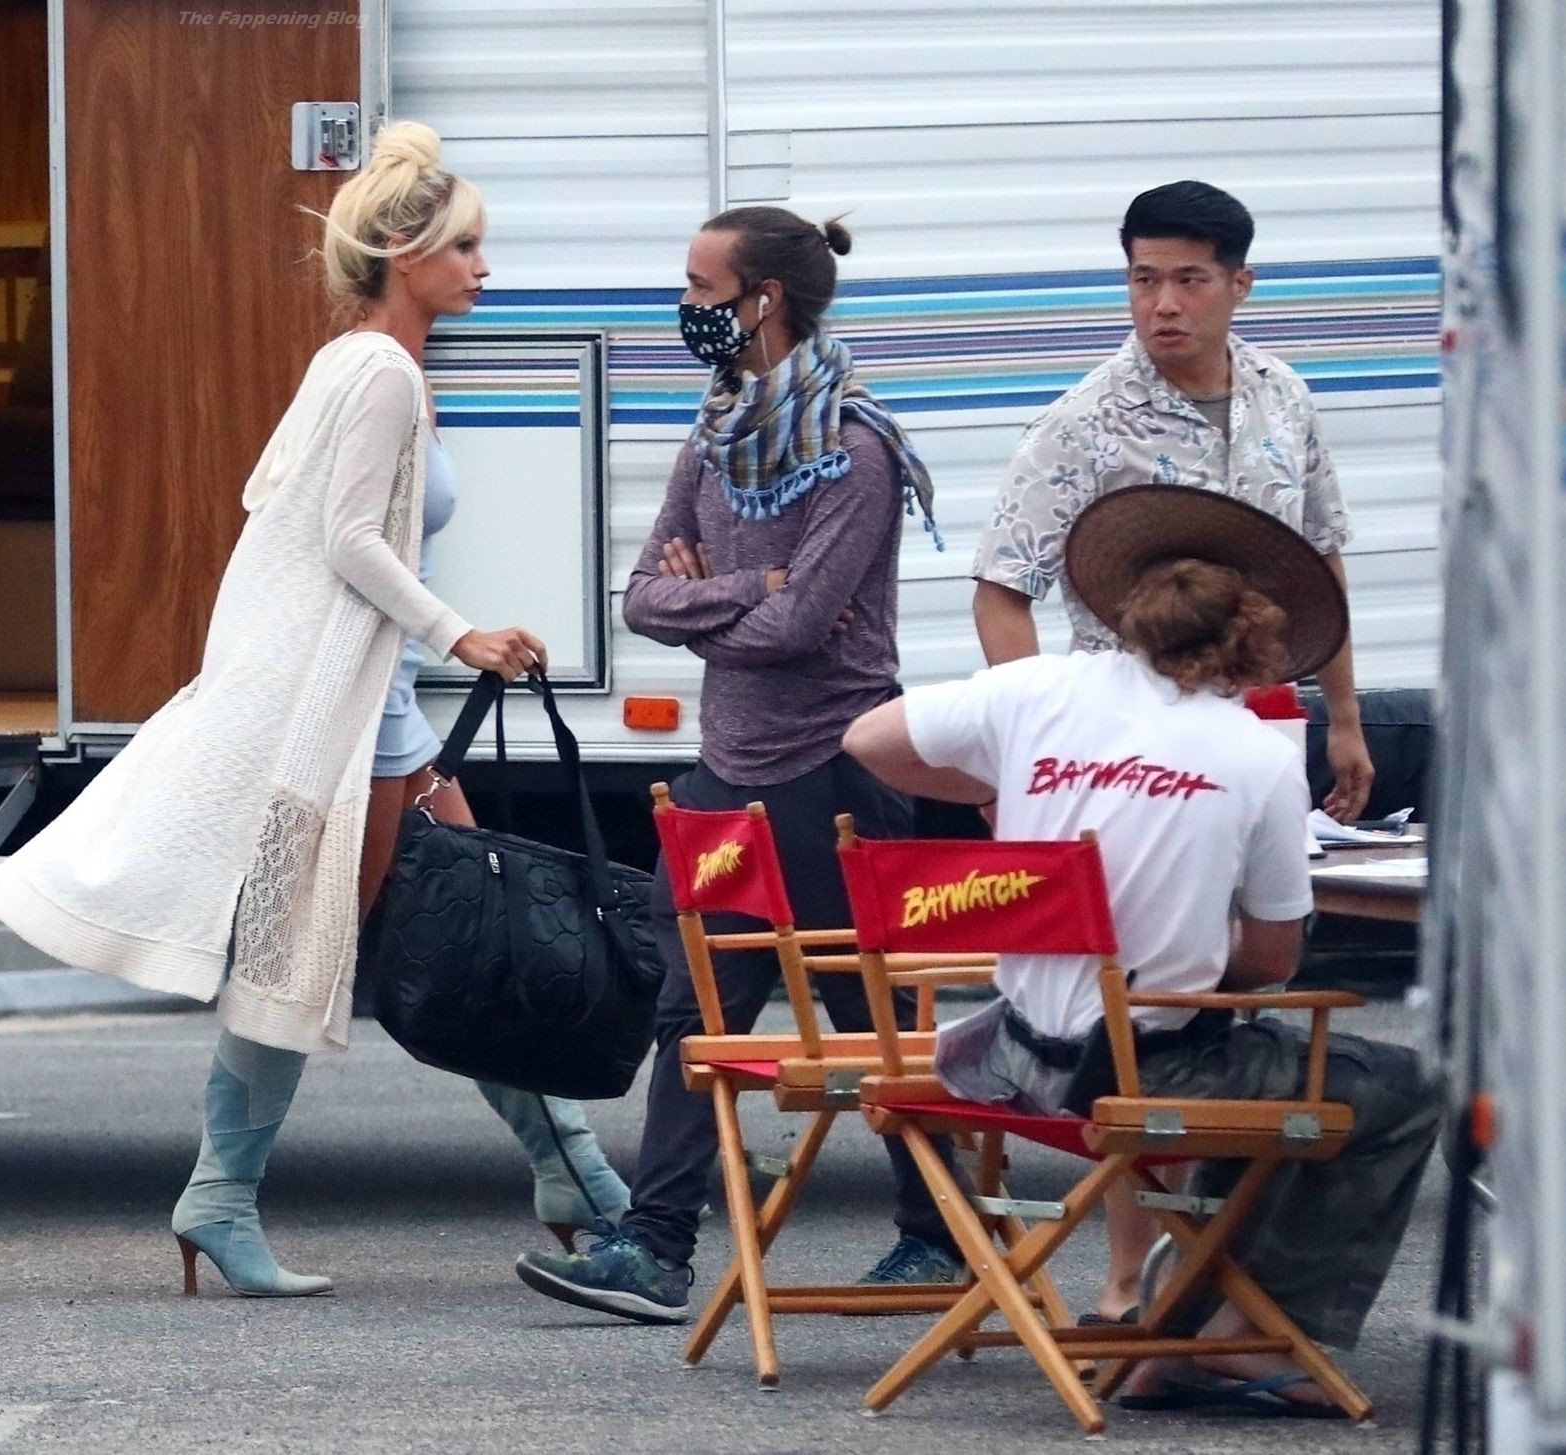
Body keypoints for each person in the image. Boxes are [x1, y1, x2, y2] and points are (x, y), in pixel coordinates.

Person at [0, 121, 626, 1297]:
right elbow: (344, 539)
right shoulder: (383, 374)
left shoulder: (357, 361)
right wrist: (459, 633)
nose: (484, 267)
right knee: (301, 954)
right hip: (360, 719)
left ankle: (573, 1172)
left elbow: (277, 506)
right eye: (465, 247)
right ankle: (224, 1197)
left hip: (385, 712)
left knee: (482, 932)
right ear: (405, 255)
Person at [844, 486, 1440, 1413]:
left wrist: (1000, 791)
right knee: (1392, 1084)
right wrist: (1187, 939)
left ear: (1135, 613)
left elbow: (868, 737)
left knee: (1255, 1065)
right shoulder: (1257, 756)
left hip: (1009, 1054)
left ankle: (1179, 1324)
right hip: (1137, 1073)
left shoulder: (1040, 689)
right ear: (1256, 636)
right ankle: (1241, 1330)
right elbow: (1271, 964)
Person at [514, 205, 963, 1325]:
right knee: (695, 1008)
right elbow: (640, 600)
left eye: (702, 291)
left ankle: (940, 1236)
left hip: (836, 769)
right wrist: (746, 591)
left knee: (873, 1011)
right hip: (728, 771)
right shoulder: (713, 435)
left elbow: (806, 625)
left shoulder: (855, 448)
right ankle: (656, 1249)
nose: (688, 310)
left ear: (766, 300)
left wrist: (716, 603)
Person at [967, 179, 1379, 1320]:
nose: (1163, 304)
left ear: (1240, 284)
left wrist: (1344, 714)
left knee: (1241, 985)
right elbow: (1002, 584)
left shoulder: (1284, 395)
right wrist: (1030, 738)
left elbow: (1323, 561)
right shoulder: (1086, 419)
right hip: (1133, 741)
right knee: (1148, 1002)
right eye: (1143, 279)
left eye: (1189, 279)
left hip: (1256, 726)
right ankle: (1125, 1277)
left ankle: (1208, 1270)